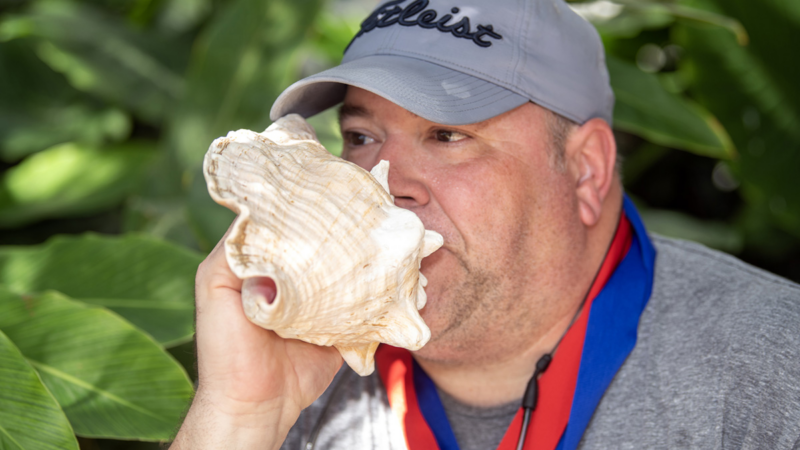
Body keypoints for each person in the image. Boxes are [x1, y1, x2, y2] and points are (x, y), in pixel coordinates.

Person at [171, 0, 800, 449]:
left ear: (586, 171)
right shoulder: (304, 380)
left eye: (447, 135)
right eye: (361, 136)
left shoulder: (770, 365)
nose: (384, 182)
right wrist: (242, 417)